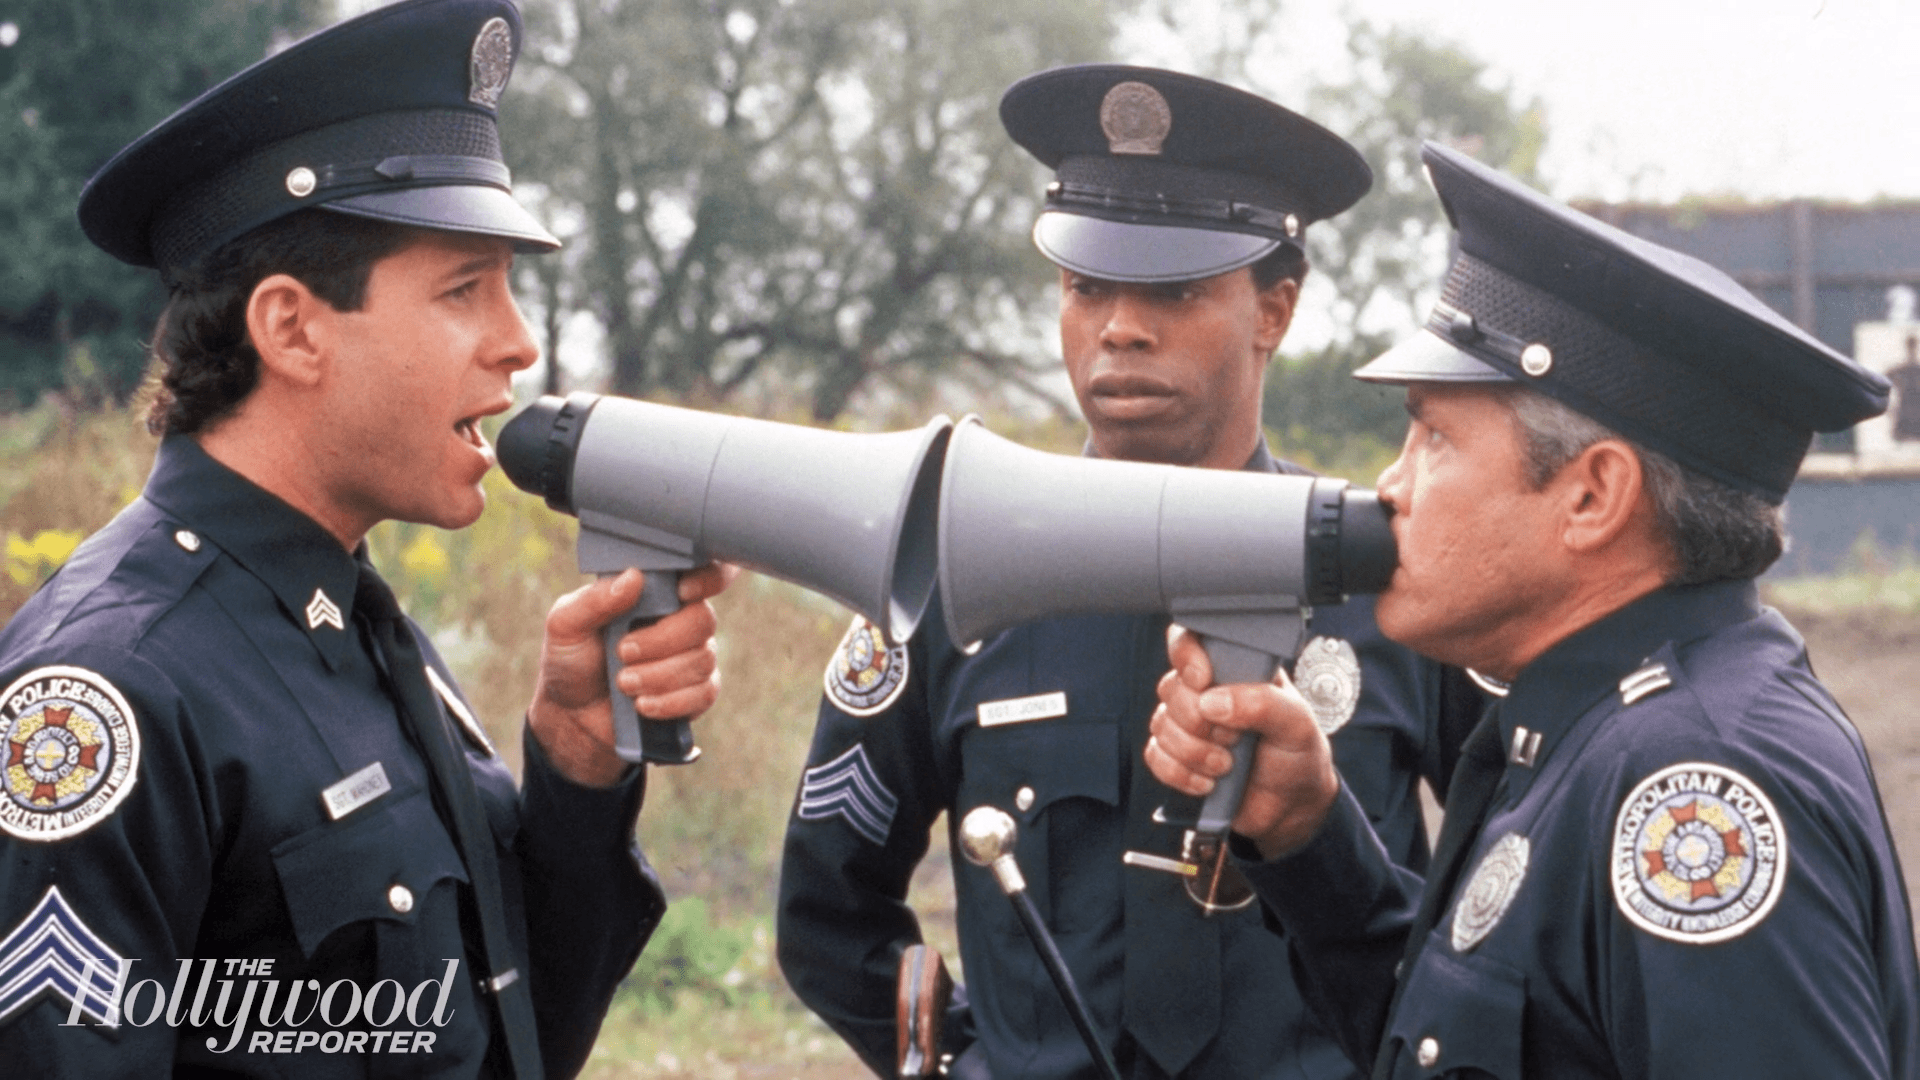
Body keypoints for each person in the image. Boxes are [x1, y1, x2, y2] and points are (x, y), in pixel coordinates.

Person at [0, 1, 728, 1075]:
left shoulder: (350, 620)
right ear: (292, 328)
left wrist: (573, 766)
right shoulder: (108, 688)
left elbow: (510, 1041)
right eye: (464, 288)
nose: (519, 343)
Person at [1146, 141, 1920, 1078]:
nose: (1390, 484)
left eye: (1435, 435)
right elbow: (1437, 1046)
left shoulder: (1688, 784)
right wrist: (1312, 835)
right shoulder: (1592, 726)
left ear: (1593, 496)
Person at [777, 65, 1483, 1080]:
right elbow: (827, 913)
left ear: (1274, 309)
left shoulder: (1391, 577)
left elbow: (1513, 905)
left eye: (1173, 291)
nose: (1119, 327)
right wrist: (980, 1060)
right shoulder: (952, 578)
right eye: (1086, 287)